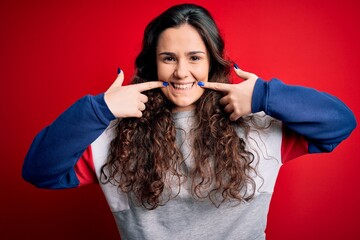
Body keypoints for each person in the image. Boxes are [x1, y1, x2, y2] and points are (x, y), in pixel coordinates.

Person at [22, 3, 356, 240]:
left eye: (195, 58)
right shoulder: (111, 136)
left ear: (212, 61)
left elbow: (340, 123)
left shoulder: (258, 125)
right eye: (169, 58)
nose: (182, 72)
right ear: (154, 64)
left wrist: (264, 96)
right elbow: (39, 170)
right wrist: (100, 109)